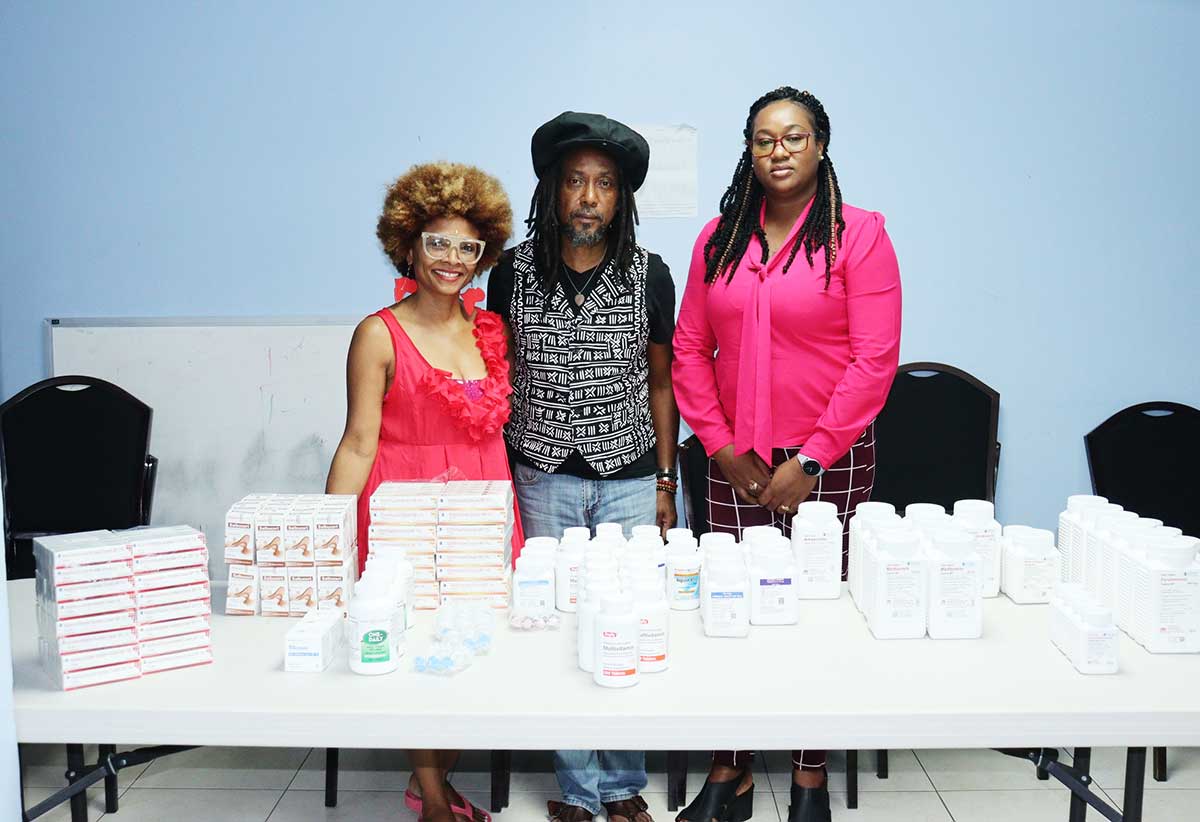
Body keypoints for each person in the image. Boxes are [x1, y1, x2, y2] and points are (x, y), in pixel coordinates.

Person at [672, 87, 902, 822]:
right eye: (765, 138)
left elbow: (874, 360)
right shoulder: (718, 238)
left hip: (829, 460)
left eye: (795, 136)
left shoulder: (859, 236)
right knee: (730, 604)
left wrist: (811, 460)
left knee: (816, 612)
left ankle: (809, 774)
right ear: (749, 151)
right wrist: (721, 448)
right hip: (733, 460)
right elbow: (688, 349)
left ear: (821, 145)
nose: (779, 150)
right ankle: (731, 767)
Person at [486, 111, 678, 822]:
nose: (589, 197)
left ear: (621, 199)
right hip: (541, 475)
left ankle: (623, 786)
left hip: (628, 475)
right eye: (575, 182)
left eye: (604, 184)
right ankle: (576, 789)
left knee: (624, 618)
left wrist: (665, 482)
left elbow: (662, 384)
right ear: (551, 192)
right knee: (558, 623)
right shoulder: (511, 274)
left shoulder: (649, 274)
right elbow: (497, 372)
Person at [326, 161, 520, 822]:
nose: (452, 259)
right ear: (407, 244)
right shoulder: (376, 333)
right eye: (438, 242)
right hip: (404, 507)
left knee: (474, 641)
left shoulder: (489, 330)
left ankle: (433, 778)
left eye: (468, 246)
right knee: (413, 647)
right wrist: (330, 535)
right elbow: (358, 442)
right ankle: (434, 799)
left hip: (483, 505)